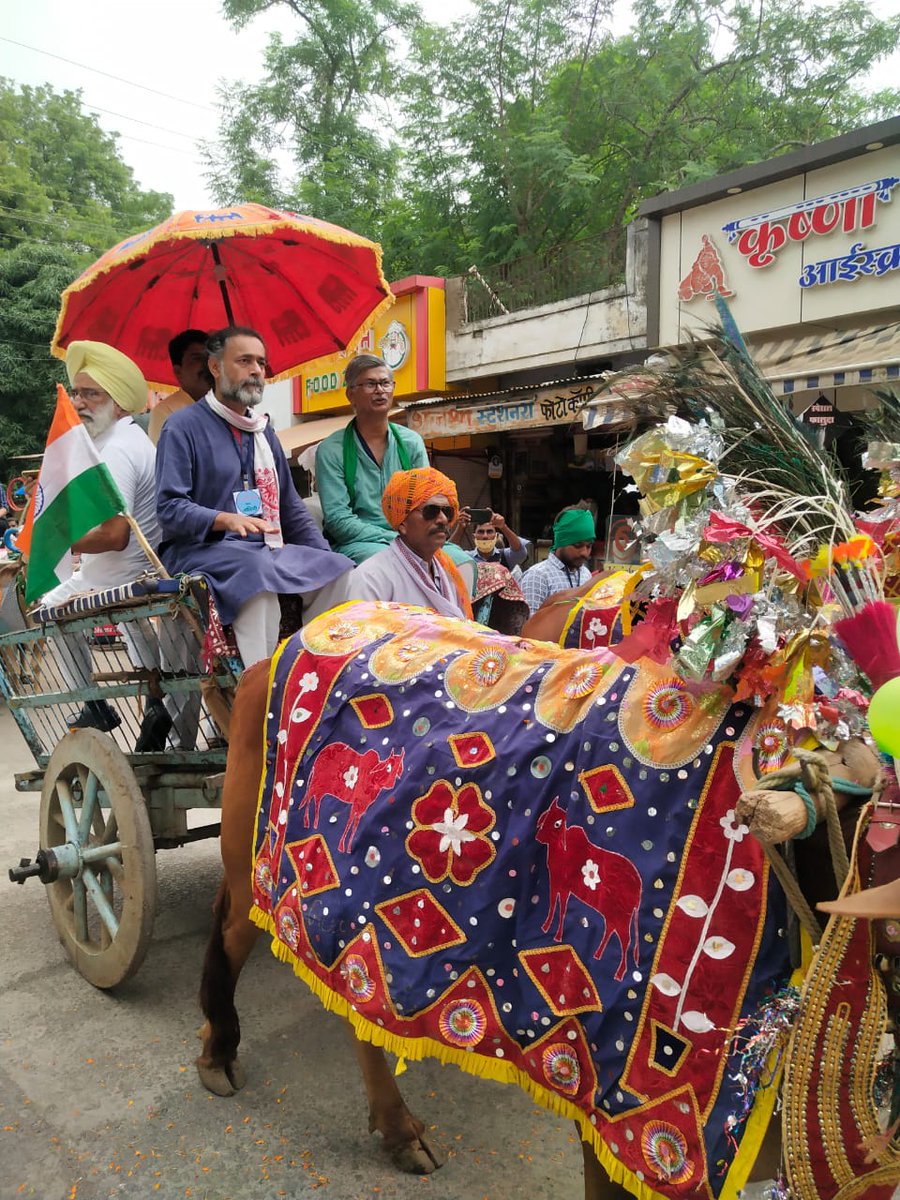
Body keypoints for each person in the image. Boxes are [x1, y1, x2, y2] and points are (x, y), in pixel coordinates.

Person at [156, 325, 353, 667]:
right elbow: (170, 508)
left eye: (260, 363)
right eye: (244, 360)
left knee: (337, 570)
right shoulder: (182, 427)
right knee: (256, 572)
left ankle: (314, 669)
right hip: (199, 551)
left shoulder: (263, 431)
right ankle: (259, 685)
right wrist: (221, 519)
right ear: (215, 368)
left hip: (262, 548)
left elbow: (290, 508)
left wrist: (323, 557)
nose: (256, 371)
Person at [38, 342, 177, 748]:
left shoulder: (116, 449)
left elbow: (116, 536)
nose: (79, 402)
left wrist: (59, 539)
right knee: (126, 618)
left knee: (47, 609)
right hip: (129, 573)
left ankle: (94, 702)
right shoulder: (122, 439)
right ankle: (155, 704)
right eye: (77, 393)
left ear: (119, 404)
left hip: (123, 574)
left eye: (91, 394)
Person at [315, 354, 429, 563]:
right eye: (370, 384)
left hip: (411, 540)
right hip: (358, 543)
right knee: (388, 562)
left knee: (458, 560)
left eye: (385, 383)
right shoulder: (332, 449)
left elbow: (426, 501)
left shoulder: (411, 442)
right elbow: (338, 520)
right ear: (351, 394)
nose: (380, 390)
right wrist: (395, 539)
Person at [344, 467, 474, 619]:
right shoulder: (372, 577)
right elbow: (362, 638)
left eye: (447, 512)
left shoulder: (449, 572)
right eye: (431, 511)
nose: (443, 519)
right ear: (403, 523)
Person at [519, 502, 596, 615]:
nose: (584, 553)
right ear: (561, 542)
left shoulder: (586, 574)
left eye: (589, 546)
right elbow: (528, 626)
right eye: (577, 545)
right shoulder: (537, 576)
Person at [148, 329, 213, 445]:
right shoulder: (166, 413)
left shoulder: (226, 406)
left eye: (209, 358)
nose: (206, 365)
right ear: (178, 372)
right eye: (197, 358)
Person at [467, 512, 530, 579]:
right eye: (481, 532)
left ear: (496, 536)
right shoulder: (467, 558)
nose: (485, 536)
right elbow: (454, 558)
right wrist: (460, 528)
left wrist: (503, 526)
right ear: (474, 537)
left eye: (489, 531)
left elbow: (520, 552)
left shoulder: (505, 557)